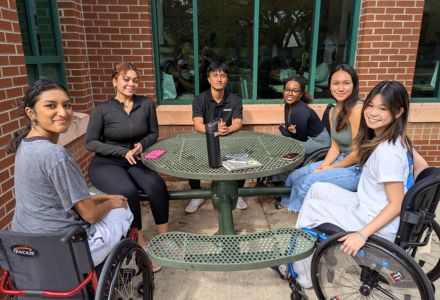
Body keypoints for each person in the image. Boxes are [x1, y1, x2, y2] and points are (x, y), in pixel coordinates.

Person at [293, 80, 416, 288]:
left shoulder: (388, 153)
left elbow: (397, 204)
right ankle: (322, 253)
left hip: (373, 220)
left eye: (383, 108)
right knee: (316, 188)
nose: (373, 113)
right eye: (370, 105)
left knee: (311, 210)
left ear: (398, 112)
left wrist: (362, 234)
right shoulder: (389, 139)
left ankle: (303, 276)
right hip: (367, 204)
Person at [6, 79, 133, 267]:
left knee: (98, 197)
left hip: (28, 243)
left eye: (67, 105)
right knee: (123, 209)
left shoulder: (25, 144)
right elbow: (89, 215)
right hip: (66, 247)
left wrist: (105, 197)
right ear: (30, 113)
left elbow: (60, 198)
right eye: (51, 106)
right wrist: (112, 202)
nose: (63, 112)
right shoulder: (55, 155)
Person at [85, 63, 169, 271]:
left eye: (135, 80)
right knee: (128, 192)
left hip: (136, 158)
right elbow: (91, 143)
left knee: (156, 185)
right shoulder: (101, 110)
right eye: (126, 79)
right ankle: (140, 244)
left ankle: (165, 238)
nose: (131, 84)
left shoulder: (146, 104)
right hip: (107, 162)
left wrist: (142, 145)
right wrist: (122, 152)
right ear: (115, 81)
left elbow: (153, 133)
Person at [280, 64, 363, 212]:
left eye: (346, 83)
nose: (341, 88)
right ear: (329, 86)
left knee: (306, 183)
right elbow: (335, 146)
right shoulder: (334, 110)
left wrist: (331, 167)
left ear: (354, 85)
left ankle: (301, 223)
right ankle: (288, 209)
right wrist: (324, 165)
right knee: (293, 177)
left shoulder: (357, 110)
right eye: (336, 83)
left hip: (356, 168)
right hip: (340, 158)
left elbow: (358, 153)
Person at [185, 62, 247, 213]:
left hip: (228, 137)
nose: (219, 79)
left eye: (223, 75)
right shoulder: (199, 99)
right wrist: (213, 129)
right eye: (215, 75)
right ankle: (196, 195)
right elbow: (198, 125)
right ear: (209, 79)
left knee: (242, 153)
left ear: (227, 79)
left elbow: (238, 122)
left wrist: (228, 128)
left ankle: (237, 193)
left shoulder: (234, 99)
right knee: (192, 156)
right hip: (205, 137)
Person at [279, 78, 331, 155]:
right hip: (309, 137)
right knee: (281, 139)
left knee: (287, 144)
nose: (290, 93)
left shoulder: (300, 111)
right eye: (287, 90)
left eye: (295, 91)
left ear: (301, 94)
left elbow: (302, 138)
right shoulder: (288, 105)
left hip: (320, 144)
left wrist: (283, 130)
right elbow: (289, 128)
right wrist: (288, 131)